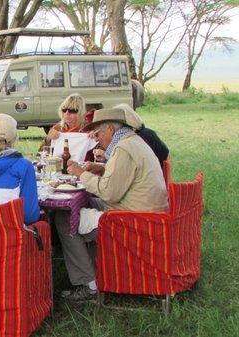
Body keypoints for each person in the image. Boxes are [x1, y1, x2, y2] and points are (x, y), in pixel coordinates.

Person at [55, 108, 168, 301]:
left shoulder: (124, 148)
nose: (98, 140)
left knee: (65, 217)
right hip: (147, 212)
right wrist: (101, 168)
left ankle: (89, 284)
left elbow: (109, 192)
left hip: (132, 219)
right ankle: (97, 272)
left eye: (98, 134)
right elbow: (123, 175)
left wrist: (81, 174)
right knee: (85, 203)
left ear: (110, 130)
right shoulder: (133, 141)